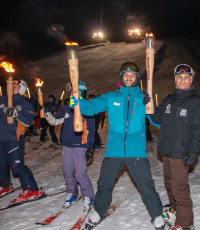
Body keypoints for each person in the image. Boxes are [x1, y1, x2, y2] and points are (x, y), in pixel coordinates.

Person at [70, 62, 165, 230]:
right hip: (114, 151)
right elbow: (90, 108)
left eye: (132, 75)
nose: (129, 78)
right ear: (121, 78)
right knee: (104, 184)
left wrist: (152, 107)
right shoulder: (111, 97)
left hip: (136, 152)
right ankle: (99, 211)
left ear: (137, 78)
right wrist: (77, 101)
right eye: (126, 75)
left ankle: (156, 215)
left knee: (147, 186)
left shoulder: (142, 98)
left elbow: (158, 123)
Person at [149, 64, 200, 230]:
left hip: (181, 153)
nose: (182, 80)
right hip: (167, 151)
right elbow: (157, 118)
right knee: (169, 185)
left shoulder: (196, 102)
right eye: (179, 77)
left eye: (186, 78)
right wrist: (149, 103)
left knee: (179, 188)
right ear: (175, 79)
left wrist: (193, 152)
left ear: (190, 80)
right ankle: (174, 211)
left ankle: (185, 224)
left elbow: (197, 130)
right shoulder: (169, 100)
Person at [45, 81, 95, 212]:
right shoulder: (67, 108)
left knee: (80, 174)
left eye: (76, 92)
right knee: (67, 172)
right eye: (72, 92)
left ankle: (88, 196)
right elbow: (55, 120)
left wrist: (90, 147)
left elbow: (91, 130)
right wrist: (47, 112)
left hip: (80, 146)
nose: (73, 94)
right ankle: (72, 193)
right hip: (67, 146)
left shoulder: (87, 108)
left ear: (82, 93)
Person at [0, 79, 44, 202]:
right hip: (1, 138)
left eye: (16, 85)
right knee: (1, 164)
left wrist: (15, 114)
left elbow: (29, 121)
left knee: (17, 166)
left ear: (22, 88)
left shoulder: (24, 104)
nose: (13, 86)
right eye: (11, 85)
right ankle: (5, 186)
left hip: (13, 138)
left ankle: (32, 189)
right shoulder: (2, 100)